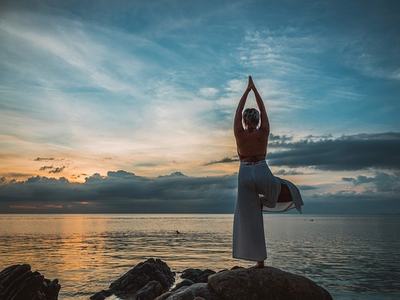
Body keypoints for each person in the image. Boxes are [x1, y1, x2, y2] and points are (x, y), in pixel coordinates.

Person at [232, 75, 292, 268]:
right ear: (257, 120)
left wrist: (245, 91)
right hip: (261, 169)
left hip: (244, 174)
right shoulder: (263, 131)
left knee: (250, 217)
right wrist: (254, 89)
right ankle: (267, 200)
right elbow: (263, 109)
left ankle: (259, 260)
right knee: (277, 190)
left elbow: (238, 110)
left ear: (243, 120)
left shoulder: (239, 133)